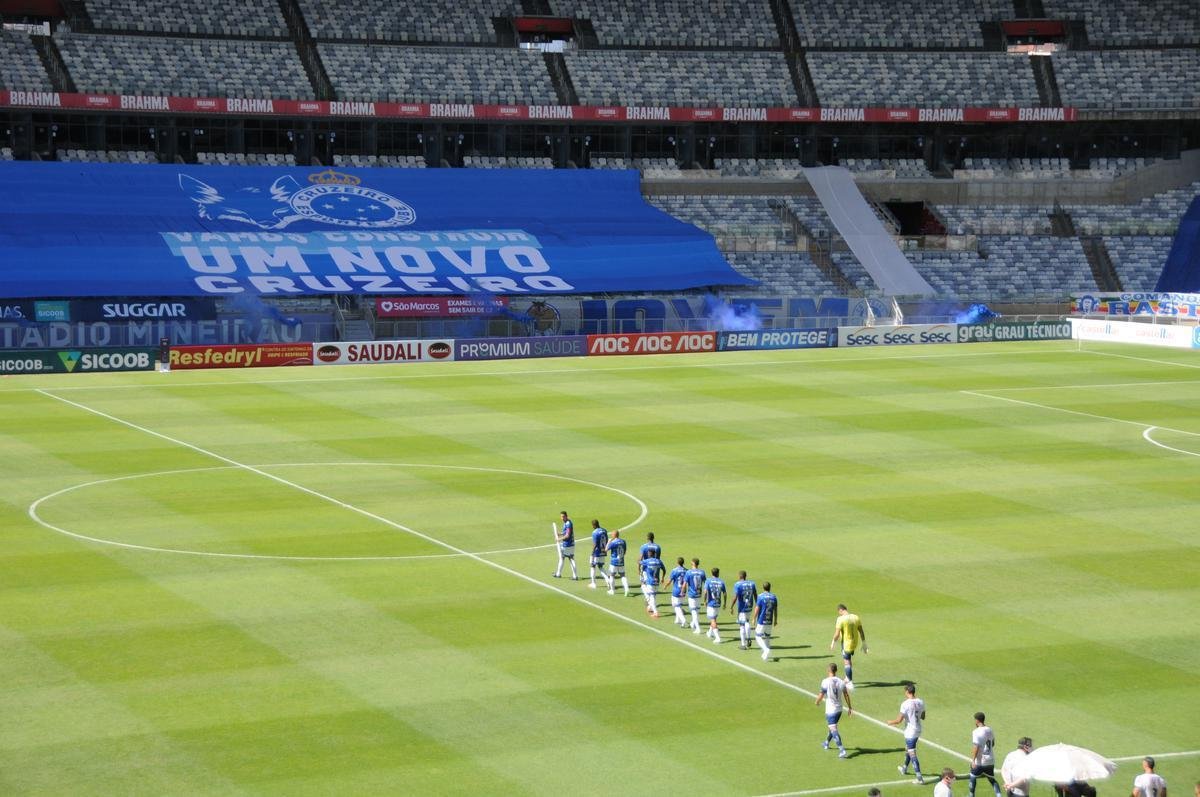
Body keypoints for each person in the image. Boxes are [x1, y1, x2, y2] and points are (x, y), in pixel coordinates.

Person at [887, 683, 926, 784]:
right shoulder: (920, 701)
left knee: (912, 753)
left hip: (910, 732)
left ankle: (919, 777)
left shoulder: (905, 704)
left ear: (907, 692)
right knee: (908, 749)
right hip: (918, 730)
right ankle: (904, 768)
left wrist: (890, 722)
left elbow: (899, 720)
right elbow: (923, 716)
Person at [816, 662, 852, 759]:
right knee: (832, 727)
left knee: (833, 729)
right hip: (839, 709)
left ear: (828, 670)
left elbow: (821, 694)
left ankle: (842, 750)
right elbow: (846, 695)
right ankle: (826, 743)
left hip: (831, 710)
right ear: (836, 670)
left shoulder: (825, 681)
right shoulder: (841, 682)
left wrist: (817, 702)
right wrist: (849, 707)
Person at [968, 712, 1002, 797]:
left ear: (977, 720)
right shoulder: (989, 729)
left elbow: (976, 747)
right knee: (992, 779)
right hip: (990, 760)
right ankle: (999, 795)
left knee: (972, 776)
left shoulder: (976, 732)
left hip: (980, 762)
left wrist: (973, 761)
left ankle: (971, 795)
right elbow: (993, 743)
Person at [830, 604, 867, 682]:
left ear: (840, 610)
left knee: (846, 662)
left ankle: (849, 680)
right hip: (855, 642)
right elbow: (861, 631)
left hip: (847, 643)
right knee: (849, 660)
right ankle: (848, 677)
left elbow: (837, 634)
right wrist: (864, 643)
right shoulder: (856, 617)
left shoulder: (840, 619)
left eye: (839, 612)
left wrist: (833, 642)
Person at [730, 570, 758, 650]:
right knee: (747, 621)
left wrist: (731, 606)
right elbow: (755, 594)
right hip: (750, 606)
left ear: (739, 576)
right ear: (745, 576)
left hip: (742, 608)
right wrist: (757, 604)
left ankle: (743, 644)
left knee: (742, 625)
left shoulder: (737, 584)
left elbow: (735, 597)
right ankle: (749, 638)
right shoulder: (752, 584)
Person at [753, 582, 778, 661]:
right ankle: (766, 655)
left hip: (761, 620)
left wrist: (754, 618)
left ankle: (766, 650)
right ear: (770, 587)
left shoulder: (760, 597)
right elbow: (775, 610)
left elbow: (757, 608)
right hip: (769, 620)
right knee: (767, 637)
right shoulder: (774, 597)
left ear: (763, 588)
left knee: (757, 636)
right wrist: (775, 620)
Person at [704, 567, 727, 644]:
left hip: (711, 603)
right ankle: (710, 633)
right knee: (714, 618)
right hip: (718, 603)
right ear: (718, 573)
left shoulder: (708, 581)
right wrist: (724, 603)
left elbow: (705, 592)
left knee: (713, 620)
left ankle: (718, 638)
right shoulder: (721, 582)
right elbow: (724, 593)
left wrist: (704, 601)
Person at [587, 519, 610, 589]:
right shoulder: (604, 530)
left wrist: (592, 553)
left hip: (597, 552)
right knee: (600, 567)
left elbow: (595, 544)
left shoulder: (595, 532)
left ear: (594, 525)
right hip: (603, 551)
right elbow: (607, 540)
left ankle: (593, 583)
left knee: (592, 566)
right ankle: (608, 580)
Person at [684, 558, 706, 633]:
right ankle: (693, 623)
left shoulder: (689, 572)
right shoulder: (702, 572)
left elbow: (684, 584)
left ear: (693, 564)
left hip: (692, 594)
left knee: (693, 611)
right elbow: (705, 583)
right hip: (699, 594)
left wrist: (682, 592)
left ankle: (698, 628)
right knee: (697, 610)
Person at [553, 510, 577, 580]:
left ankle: (558, 574)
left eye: (563, 517)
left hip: (567, 545)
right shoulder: (567, 523)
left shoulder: (568, 524)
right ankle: (575, 576)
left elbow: (567, 535)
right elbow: (565, 532)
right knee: (571, 559)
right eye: (561, 517)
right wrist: (560, 534)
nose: (562, 518)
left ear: (566, 516)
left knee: (562, 558)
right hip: (571, 544)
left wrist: (559, 539)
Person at [639, 553, 664, 617]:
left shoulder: (647, 561)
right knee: (653, 596)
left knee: (651, 596)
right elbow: (664, 570)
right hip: (657, 581)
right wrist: (662, 578)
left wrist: (640, 557)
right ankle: (650, 607)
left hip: (650, 582)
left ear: (649, 554)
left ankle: (655, 612)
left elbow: (639, 562)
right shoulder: (659, 561)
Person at [605, 530, 629, 596]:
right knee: (623, 576)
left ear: (614, 535)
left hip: (614, 562)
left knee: (612, 575)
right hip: (621, 561)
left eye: (612, 534)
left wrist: (608, 542)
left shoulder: (613, 542)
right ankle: (626, 589)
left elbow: (606, 550)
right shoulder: (623, 541)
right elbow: (624, 552)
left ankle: (612, 590)